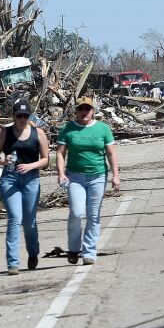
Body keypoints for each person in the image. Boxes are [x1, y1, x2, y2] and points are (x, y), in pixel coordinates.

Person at [56, 96, 120, 265]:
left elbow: (111, 154)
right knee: (76, 213)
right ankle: (74, 249)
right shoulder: (67, 128)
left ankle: (89, 251)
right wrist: (61, 173)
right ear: (76, 111)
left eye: (88, 109)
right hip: (74, 177)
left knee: (93, 215)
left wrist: (116, 175)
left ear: (93, 111)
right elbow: (60, 153)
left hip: (98, 177)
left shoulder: (103, 129)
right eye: (81, 109)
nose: (84, 112)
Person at [0, 99, 50, 275]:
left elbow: (46, 160)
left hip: (31, 179)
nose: (22, 119)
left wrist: (31, 166)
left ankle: (33, 253)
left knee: (29, 222)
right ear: (14, 116)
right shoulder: (4, 133)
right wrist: (3, 160)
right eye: (19, 116)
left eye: (26, 116)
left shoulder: (38, 133)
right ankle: (13, 263)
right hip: (10, 179)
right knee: (15, 219)